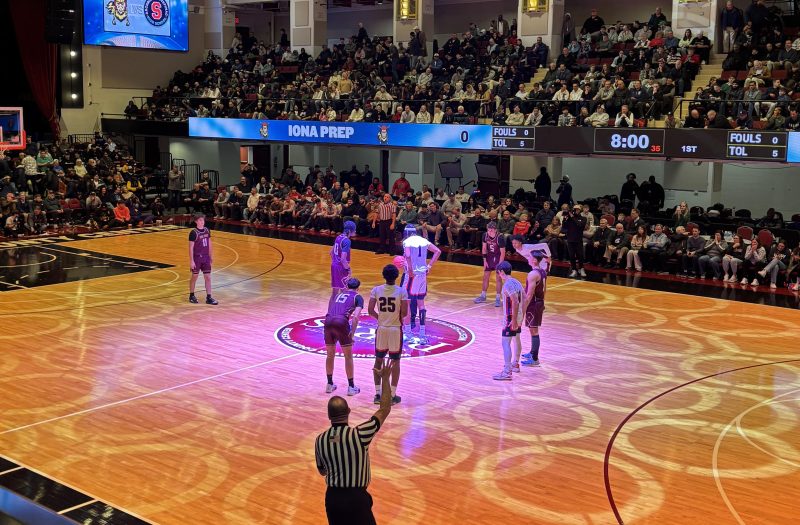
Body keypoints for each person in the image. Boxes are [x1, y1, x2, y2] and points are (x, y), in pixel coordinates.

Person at [315, 361, 394, 525]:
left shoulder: (320, 440)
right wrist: (385, 379)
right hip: (356, 498)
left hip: (333, 499)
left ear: (329, 416)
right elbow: (384, 409)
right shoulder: (360, 434)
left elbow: (322, 471)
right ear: (349, 412)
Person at [368, 264, 409, 405]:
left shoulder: (376, 290)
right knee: (395, 361)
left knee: (378, 360)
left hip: (382, 328)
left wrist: (380, 318)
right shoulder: (402, 291)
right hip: (395, 329)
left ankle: (378, 395)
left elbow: (370, 310)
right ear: (397, 276)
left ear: (383, 275)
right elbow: (405, 313)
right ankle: (392, 395)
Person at [324, 278, 364, 396]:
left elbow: (330, 306)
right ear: (358, 288)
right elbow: (356, 317)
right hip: (341, 322)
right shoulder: (358, 297)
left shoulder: (339, 294)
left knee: (330, 355)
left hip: (328, 320)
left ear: (346, 286)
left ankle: (329, 384)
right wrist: (352, 332)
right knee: (348, 356)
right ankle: (351, 387)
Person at [402, 224, 441, 342]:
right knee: (421, 304)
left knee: (407, 303)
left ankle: (408, 333)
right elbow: (437, 251)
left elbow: (408, 255)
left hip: (412, 275)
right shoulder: (424, 240)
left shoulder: (407, 241)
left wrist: (409, 270)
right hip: (423, 275)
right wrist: (429, 266)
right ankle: (422, 334)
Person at [493, 261, 525, 381]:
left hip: (511, 318)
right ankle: (515, 364)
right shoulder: (516, 281)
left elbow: (515, 301)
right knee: (516, 339)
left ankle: (507, 371)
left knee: (505, 343)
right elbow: (525, 298)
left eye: (498, 272)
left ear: (501, 271)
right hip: (518, 316)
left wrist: (514, 320)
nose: (498, 275)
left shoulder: (507, 284)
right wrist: (522, 315)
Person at [519, 250, 547, 367]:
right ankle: (532, 352)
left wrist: (523, 308)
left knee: (534, 330)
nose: (528, 258)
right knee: (532, 329)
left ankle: (535, 359)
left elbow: (529, 294)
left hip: (533, 304)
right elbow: (545, 289)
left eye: (529, 257)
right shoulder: (542, 271)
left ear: (534, 260)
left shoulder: (533, 274)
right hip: (538, 302)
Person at [188, 213, 218, 305]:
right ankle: (191, 295)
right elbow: (190, 248)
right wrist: (191, 261)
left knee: (208, 277)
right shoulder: (193, 233)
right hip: (197, 258)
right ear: (196, 221)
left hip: (206, 257)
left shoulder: (207, 230)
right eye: (200, 220)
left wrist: (211, 256)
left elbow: (210, 244)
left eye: (203, 220)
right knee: (195, 276)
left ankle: (209, 297)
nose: (202, 222)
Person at [474, 221, 506, 306]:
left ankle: (498, 298)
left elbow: (503, 253)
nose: (490, 231)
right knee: (485, 277)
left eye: (492, 229)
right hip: (489, 257)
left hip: (498, 258)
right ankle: (483, 295)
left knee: (498, 278)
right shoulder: (485, 235)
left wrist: (500, 264)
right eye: (489, 229)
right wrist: (484, 260)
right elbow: (484, 248)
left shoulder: (500, 237)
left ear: (495, 229)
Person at [331, 221, 356, 291]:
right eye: (354, 229)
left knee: (335, 292)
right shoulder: (347, 241)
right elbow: (343, 259)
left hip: (334, 266)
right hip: (341, 267)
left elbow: (331, 252)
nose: (355, 231)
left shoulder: (338, 237)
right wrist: (348, 269)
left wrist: (335, 261)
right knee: (345, 291)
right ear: (350, 230)